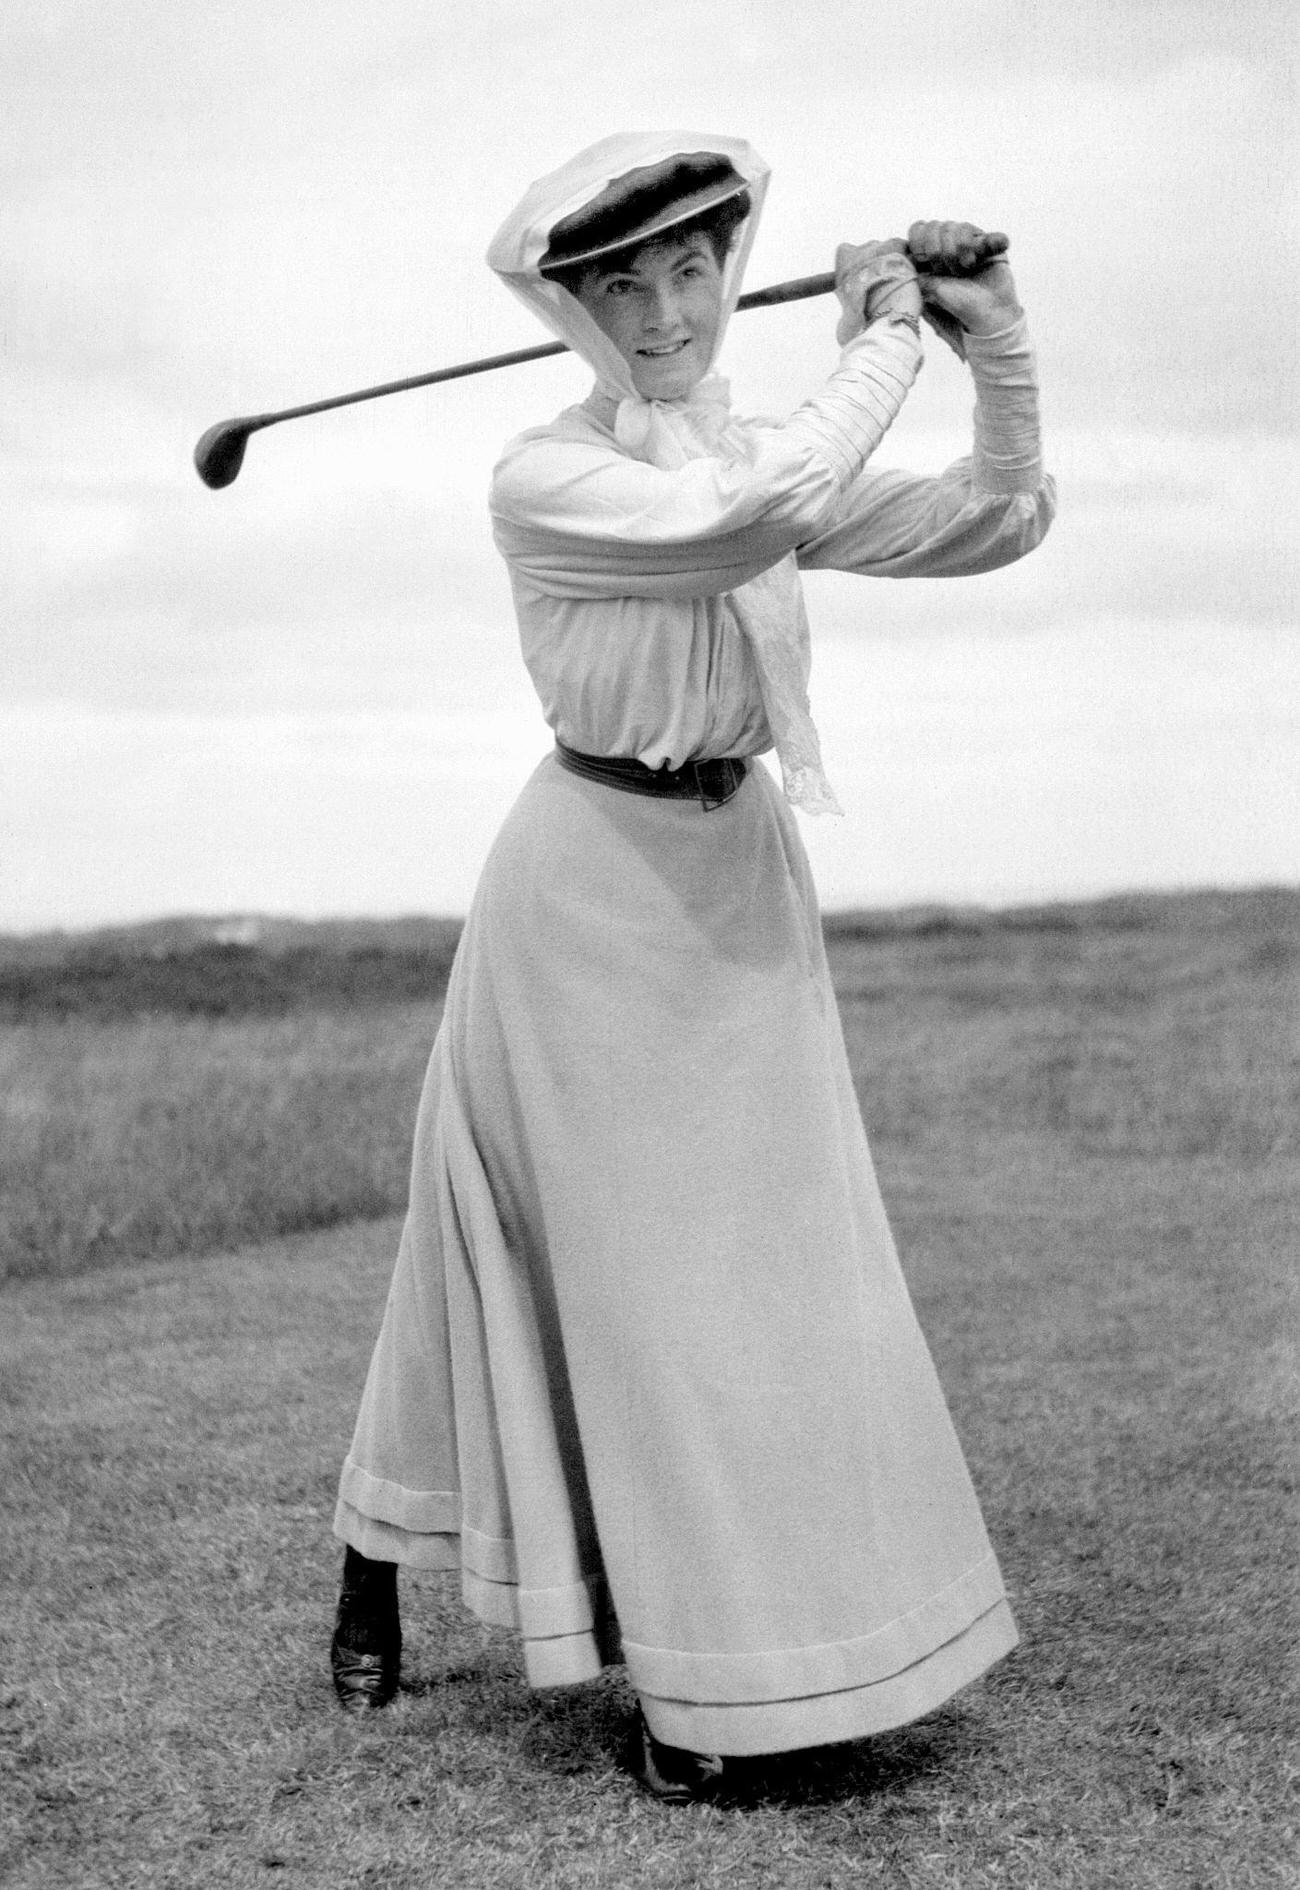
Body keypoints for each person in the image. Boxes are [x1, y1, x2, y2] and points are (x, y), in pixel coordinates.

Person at [329, 131, 1055, 1801]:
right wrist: (885, 336)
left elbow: (995, 520)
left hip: (739, 875)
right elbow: (752, 516)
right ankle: (690, 1690)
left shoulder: (745, 441)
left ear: (730, 273)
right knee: (642, 1298)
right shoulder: (550, 476)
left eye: (692, 269)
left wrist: (992, 339)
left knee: (765, 1298)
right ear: (572, 311)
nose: (666, 309)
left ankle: (723, 1627)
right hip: (585, 901)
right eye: (623, 285)